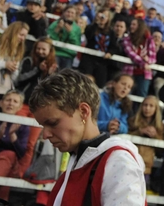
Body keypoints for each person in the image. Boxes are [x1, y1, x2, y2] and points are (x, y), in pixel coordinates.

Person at [29, 69, 146, 205]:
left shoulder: (118, 161)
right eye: (43, 126)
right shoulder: (79, 158)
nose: (46, 134)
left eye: (53, 123)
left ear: (83, 112)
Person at [128, 95, 164, 189]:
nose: (147, 108)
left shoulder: (160, 126)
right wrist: (140, 132)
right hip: (130, 164)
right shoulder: (132, 121)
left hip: (146, 168)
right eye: (145, 105)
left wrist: (155, 136)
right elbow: (125, 139)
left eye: (151, 106)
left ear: (156, 109)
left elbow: (161, 151)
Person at [80, 7, 116, 88]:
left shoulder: (111, 32)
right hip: (89, 59)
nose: (103, 17)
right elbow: (88, 35)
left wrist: (110, 52)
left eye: (105, 16)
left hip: (102, 62)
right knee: (84, 81)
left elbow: (114, 46)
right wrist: (96, 23)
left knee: (100, 84)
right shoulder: (91, 27)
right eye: (102, 15)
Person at [121, 18, 156, 97]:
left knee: (141, 95)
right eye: (131, 24)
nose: (131, 26)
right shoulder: (127, 39)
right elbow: (131, 54)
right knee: (127, 96)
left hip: (144, 74)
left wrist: (148, 59)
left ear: (140, 26)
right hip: (129, 72)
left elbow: (153, 58)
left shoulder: (149, 40)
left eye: (134, 24)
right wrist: (143, 63)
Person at [47, 5, 82, 70]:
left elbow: (76, 44)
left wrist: (70, 32)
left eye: (72, 13)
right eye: (68, 12)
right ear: (64, 13)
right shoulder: (55, 23)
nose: (70, 14)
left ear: (75, 15)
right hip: (55, 53)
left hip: (68, 55)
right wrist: (57, 29)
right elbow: (49, 39)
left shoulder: (77, 28)